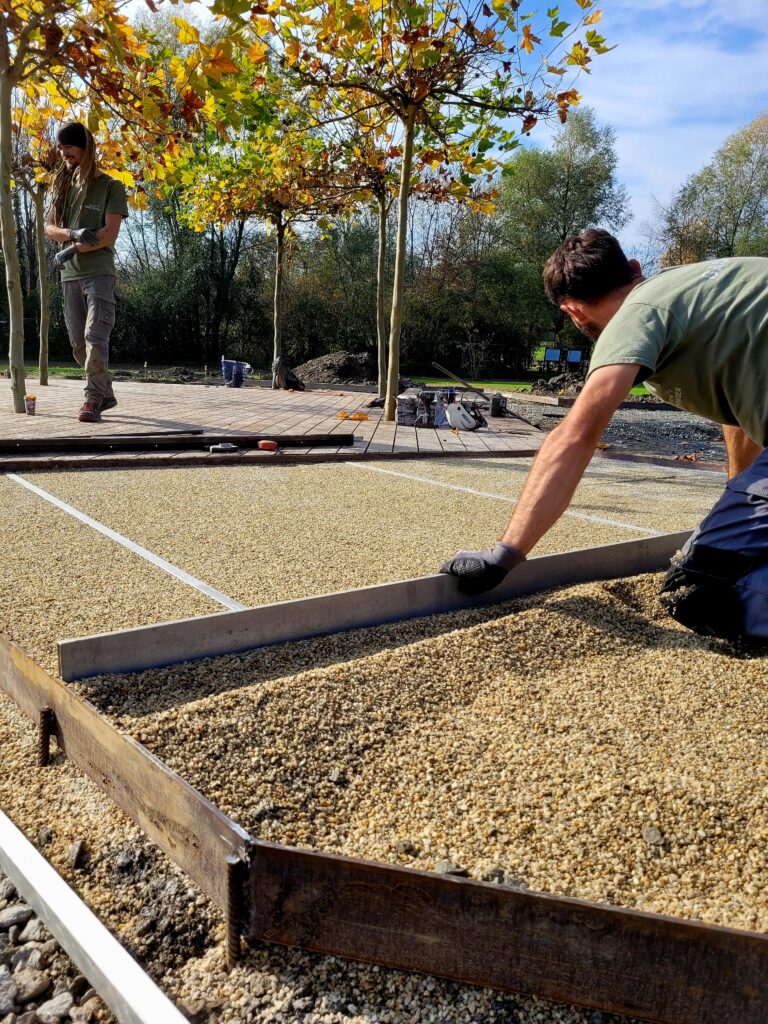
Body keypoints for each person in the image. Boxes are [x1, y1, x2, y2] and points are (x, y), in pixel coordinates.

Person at [440, 228, 768, 643]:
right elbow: (739, 417)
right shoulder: (706, 292)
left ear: (574, 311)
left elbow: (575, 437)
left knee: (701, 590)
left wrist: (504, 556)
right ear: (634, 267)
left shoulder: (637, 311)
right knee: (741, 552)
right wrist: (738, 507)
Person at [45, 122, 129, 423]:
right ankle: (106, 392)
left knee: (95, 337)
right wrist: (72, 232)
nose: (62, 152)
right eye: (60, 147)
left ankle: (92, 401)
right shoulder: (62, 186)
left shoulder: (111, 187)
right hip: (70, 276)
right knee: (78, 346)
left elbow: (108, 234)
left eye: (67, 146)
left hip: (98, 273)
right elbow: (49, 228)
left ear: (84, 147)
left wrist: (74, 248)